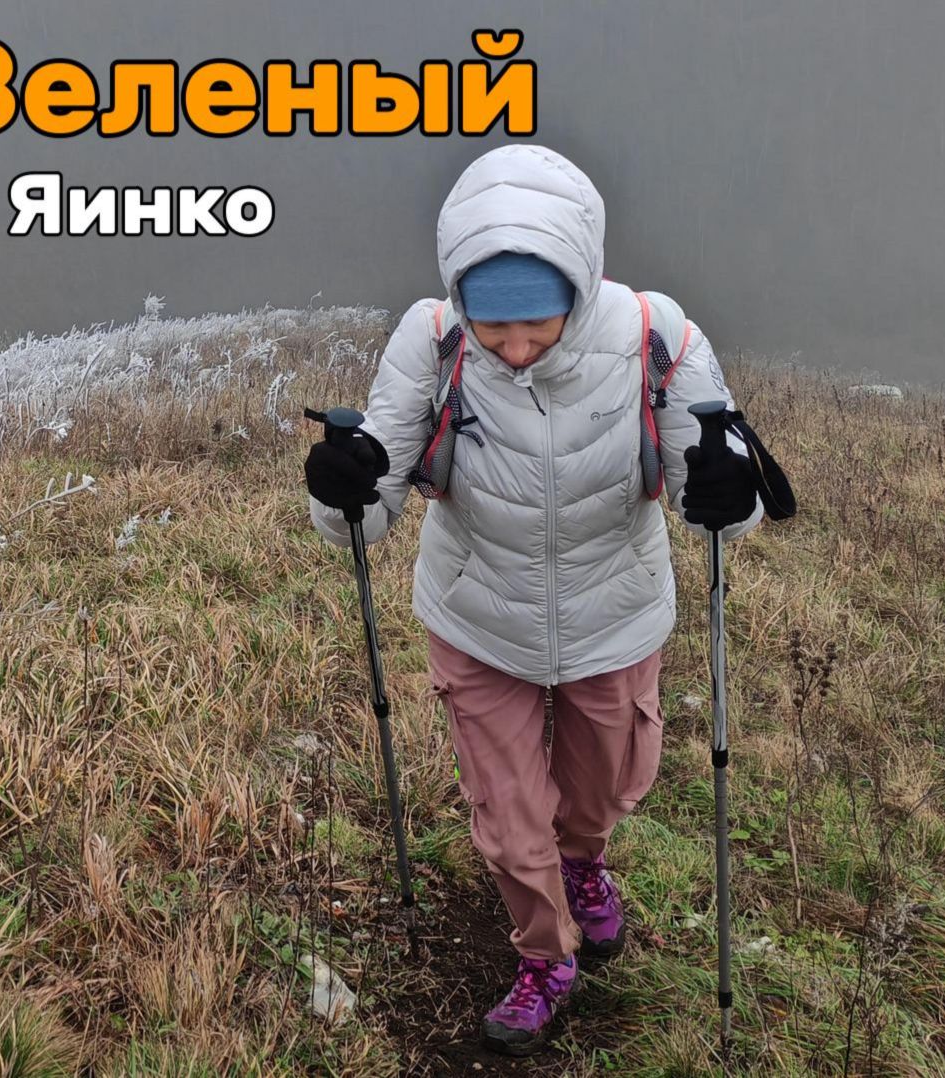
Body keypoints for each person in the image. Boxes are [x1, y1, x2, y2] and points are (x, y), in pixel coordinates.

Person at [303, 143, 766, 1056]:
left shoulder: (656, 336)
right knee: (510, 819)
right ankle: (545, 955)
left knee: (603, 789)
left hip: (613, 616)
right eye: (494, 328)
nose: (514, 349)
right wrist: (341, 489)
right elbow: (367, 509)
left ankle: (584, 862)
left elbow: (720, 503)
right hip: (478, 617)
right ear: (461, 299)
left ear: (579, 287)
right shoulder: (433, 340)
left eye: (538, 326)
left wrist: (729, 488)